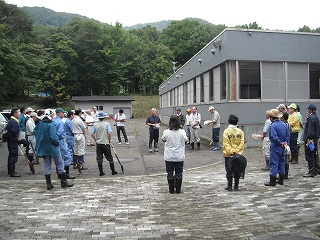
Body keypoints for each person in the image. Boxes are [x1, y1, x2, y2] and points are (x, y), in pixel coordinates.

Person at [34, 114, 74, 190]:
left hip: (44, 148)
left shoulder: (40, 125)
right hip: (53, 148)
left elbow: (36, 133)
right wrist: (57, 143)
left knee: (47, 165)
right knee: (59, 164)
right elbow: (53, 137)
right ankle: (63, 182)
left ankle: (48, 184)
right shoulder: (51, 125)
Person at [161, 116, 188, 194]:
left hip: (169, 156)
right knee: (179, 173)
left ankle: (171, 190)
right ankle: (178, 189)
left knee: (169, 173)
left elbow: (163, 139)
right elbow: (186, 140)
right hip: (179, 156)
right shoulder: (182, 132)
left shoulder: (166, 132)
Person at [264, 109, 290, 186]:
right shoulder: (284, 124)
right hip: (283, 146)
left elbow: (273, 136)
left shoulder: (273, 125)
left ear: (272, 117)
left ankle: (272, 180)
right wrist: (285, 142)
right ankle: (281, 179)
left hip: (275, 146)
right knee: (282, 162)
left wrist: (279, 142)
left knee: (274, 163)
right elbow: (288, 135)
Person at [222, 114, 245, 191]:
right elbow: (242, 143)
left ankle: (229, 186)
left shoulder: (226, 131)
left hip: (228, 155)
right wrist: (237, 150)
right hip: (238, 154)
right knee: (237, 170)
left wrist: (232, 151)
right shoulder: (240, 131)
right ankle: (236, 186)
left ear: (229, 121)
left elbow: (226, 144)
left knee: (229, 170)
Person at [92, 111, 118, 176]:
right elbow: (109, 133)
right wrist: (109, 140)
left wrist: (96, 139)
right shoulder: (107, 124)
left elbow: (92, 134)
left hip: (98, 143)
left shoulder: (95, 124)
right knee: (109, 157)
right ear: (104, 117)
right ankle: (113, 171)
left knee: (99, 158)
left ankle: (101, 172)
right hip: (105, 143)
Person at [53, 108, 75, 179]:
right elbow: (59, 133)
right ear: (59, 113)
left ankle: (59, 173)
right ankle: (66, 174)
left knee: (59, 158)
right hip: (60, 140)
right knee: (67, 156)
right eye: (62, 113)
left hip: (57, 140)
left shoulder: (54, 121)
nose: (63, 114)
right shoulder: (60, 122)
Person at [302, 104, 320, 177]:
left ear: (310, 110)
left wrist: (309, 138)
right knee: (314, 154)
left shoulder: (311, 118)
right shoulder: (316, 117)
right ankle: (316, 170)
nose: (307, 111)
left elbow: (310, 130)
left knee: (309, 154)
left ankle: (311, 171)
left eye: (308, 110)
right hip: (315, 139)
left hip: (311, 140)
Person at [7, 108, 24, 177]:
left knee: (11, 156)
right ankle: (12, 172)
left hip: (11, 140)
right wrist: (17, 138)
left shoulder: (10, 121)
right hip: (13, 140)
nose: (19, 114)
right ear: (14, 114)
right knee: (13, 156)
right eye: (18, 113)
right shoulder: (13, 122)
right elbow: (14, 131)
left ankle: (10, 171)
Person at [280, 112, 291, 179]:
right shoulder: (289, 125)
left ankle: (283, 174)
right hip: (288, 143)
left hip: (283, 143)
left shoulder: (283, 125)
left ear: (283, 118)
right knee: (286, 158)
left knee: (283, 159)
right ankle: (286, 174)